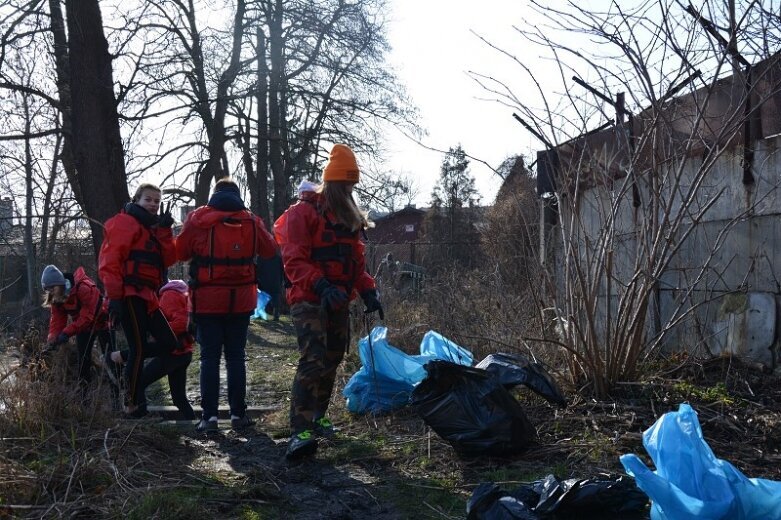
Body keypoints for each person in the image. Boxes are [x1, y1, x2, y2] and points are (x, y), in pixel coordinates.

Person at [274, 143, 384, 459]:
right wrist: (321, 286)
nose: (349, 189)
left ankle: (320, 416)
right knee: (314, 357)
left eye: (352, 185)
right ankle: (301, 429)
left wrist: (368, 291)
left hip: (338, 298)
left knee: (334, 357)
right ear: (332, 183)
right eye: (345, 184)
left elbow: (356, 264)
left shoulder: (348, 218)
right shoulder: (302, 214)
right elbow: (293, 260)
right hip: (309, 298)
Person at [176, 178, 277, 432]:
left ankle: (208, 417)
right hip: (241, 300)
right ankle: (238, 415)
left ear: (215, 194)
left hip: (207, 300)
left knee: (209, 358)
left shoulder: (198, 219)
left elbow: (181, 252)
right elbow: (269, 250)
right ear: (237, 195)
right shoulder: (251, 220)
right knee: (236, 357)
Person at [98, 183, 179, 417]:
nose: (153, 204)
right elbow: (109, 262)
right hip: (129, 295)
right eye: (148, 200)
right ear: (137, 200)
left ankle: (119, 358)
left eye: (157, 201)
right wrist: (114, 297)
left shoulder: (153, 229)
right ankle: (131, 404)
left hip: (148, 297)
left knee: (169, 343)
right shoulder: (124, 222)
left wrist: (165, 231)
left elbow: (169, 259)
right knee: (139, 349)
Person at [105, 280, 196, 419]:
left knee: (138, 383)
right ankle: (192, 425)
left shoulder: (169, 294)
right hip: (183, 353)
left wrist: (157, 332)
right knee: (179, 399)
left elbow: (181, 322)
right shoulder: (180, 292)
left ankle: (141, 418)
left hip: (172, 354)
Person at [40, 264, 111, 386]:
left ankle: (121, 395)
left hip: (103, 323)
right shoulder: (56, 297)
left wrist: (66, 333)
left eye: (52, 288)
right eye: (48, 290)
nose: (50, 292)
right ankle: (85, 399)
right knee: (83, 362)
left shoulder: (83, 288)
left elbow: (87, 317)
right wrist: (52, 339)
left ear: (59, 284)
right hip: (83, 327)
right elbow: (57, 320)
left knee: (111, 359)